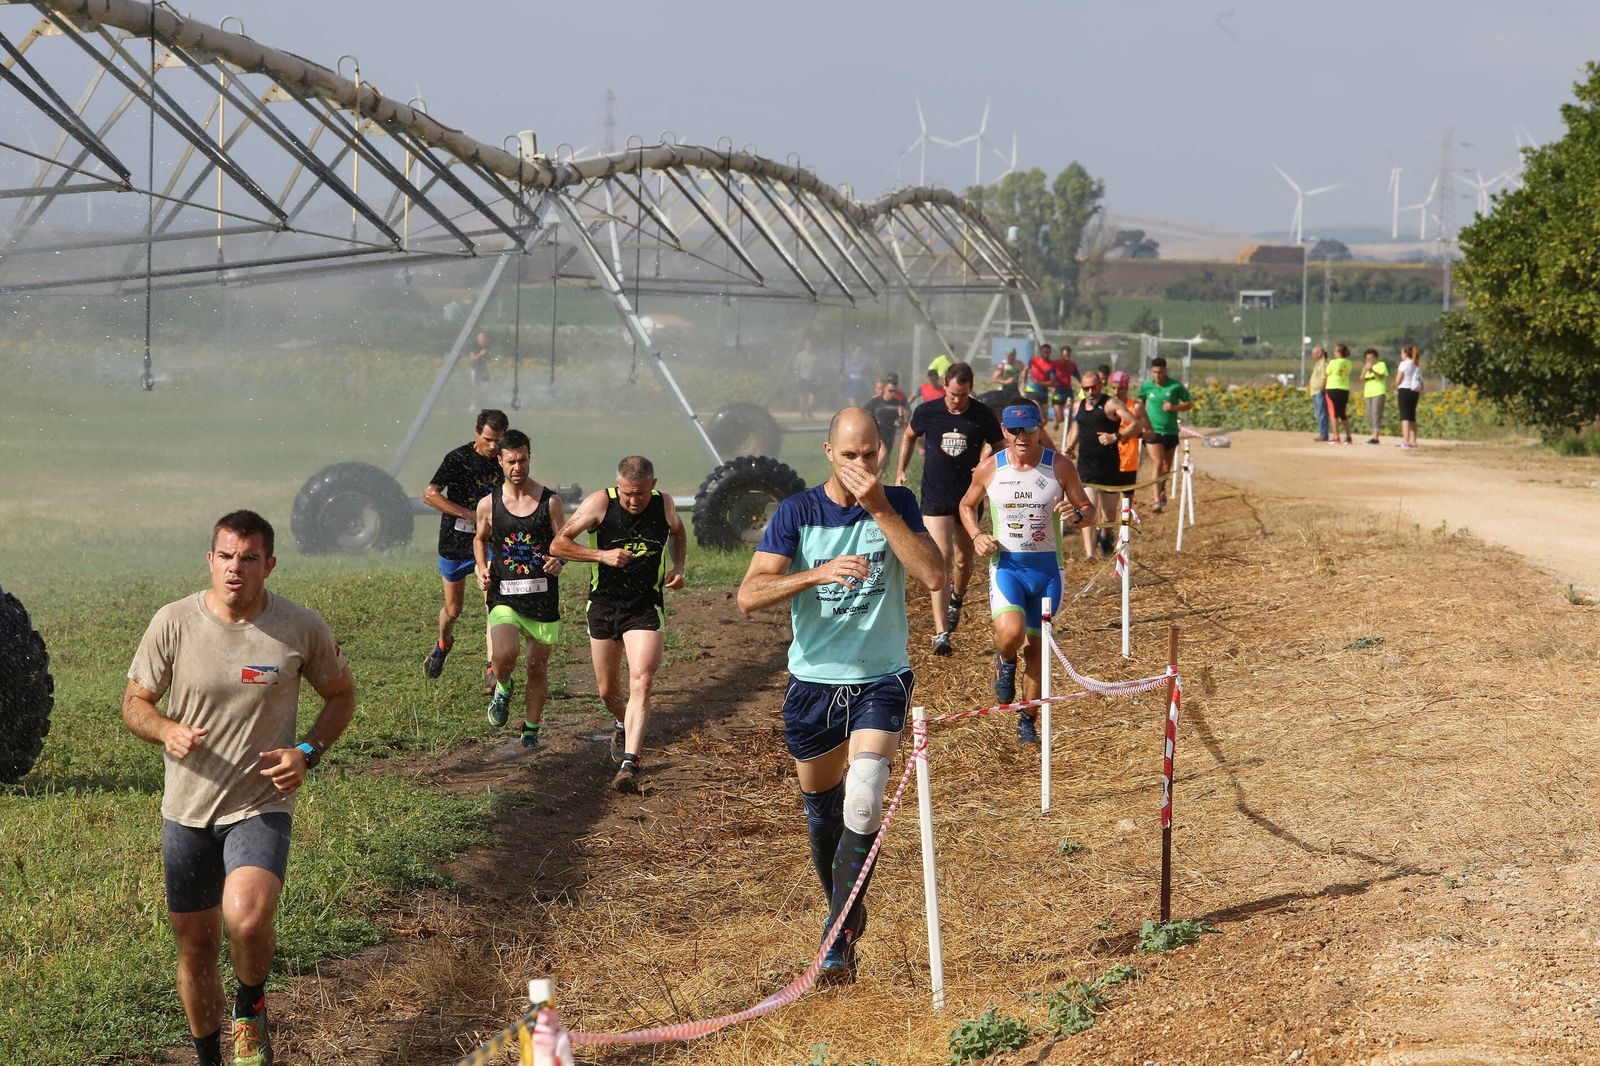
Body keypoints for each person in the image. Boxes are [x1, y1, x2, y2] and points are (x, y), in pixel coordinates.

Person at [123, 510, 355, 1066]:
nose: (236, 568)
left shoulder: (299, 627)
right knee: (197, 948)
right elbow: (134, 704)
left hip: (260, 803)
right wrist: (166, 731)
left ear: (268, 564)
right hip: (187, 808)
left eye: (249, 558)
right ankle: (208, 1058)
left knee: (247, 918)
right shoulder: (173, 622)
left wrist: (307, 752)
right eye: (226, 556)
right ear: (210, 560)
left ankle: (250, 1008)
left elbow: (341, 695)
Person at [736, 407, 945, 982]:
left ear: (882, 452)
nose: (861, 465)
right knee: (825, 819)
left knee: (865, 798)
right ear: (829, 453)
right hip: (813, 685)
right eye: (849, 455)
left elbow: (933, 576)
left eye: (870, 454)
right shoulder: (796, 512)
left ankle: (833, 938)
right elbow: (749, 596)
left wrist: (880, 507)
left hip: (881, 676)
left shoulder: (896, 503)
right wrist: (814, 574)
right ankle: (847, 918)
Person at [959, 404, 1093, 745]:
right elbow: (965, 505)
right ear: (1004, 430)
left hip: (1048, 569)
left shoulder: (1059, 465)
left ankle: (1027, 720)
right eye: (1015, 430)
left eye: (1029, 429)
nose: (1022, 437)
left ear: (1040, 427)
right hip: (1008, 566)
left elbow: (1088, 511)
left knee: (1036, 648)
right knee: (1010, 635)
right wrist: (976, 535)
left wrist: (1076, 516)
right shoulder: (990, 469)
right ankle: (1004, 661)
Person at [552, 455, 687, 793]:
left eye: (639, 494)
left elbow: (679, 532)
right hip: (604, 606)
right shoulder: (601, 502)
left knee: (642, 680)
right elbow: (559, 544)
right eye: (627, 493)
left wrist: (679, 565)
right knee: (607, 691)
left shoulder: (664, 504)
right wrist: (602, 555)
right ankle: (623, 722)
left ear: (652, 486)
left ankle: (630, 763)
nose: (632, 501)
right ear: (618, 486)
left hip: (644, 607)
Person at [895, 362, 1004, 656]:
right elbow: (908, 436)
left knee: (963, 560)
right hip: (935, 494)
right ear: (945, 386)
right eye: (954, 394)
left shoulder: (981, 414)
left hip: (968, 496)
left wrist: (985, 461)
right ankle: (941, 632)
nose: (958, 401)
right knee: (940, 556)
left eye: (964, 395)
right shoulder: (926, 412)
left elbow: (1000, 443)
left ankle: (957, 597)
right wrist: (901, 470)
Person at [472, 429, 564, 750]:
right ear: (499, 461)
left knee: (537, 666)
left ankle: (530, 730)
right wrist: (481, 568)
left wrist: (558, 559)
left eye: (523, 460)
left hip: (542, 596)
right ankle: (504, 685)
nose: (517, 468)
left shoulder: (549, 501)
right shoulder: (489, 504)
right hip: (505, 594)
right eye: (511, 461)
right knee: (504, 654)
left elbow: (562, 542)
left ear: (529, 458)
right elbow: (479, 539)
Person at [423, 409, 508, 694]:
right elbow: (430, 494)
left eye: (499, 440)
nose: (494, 446)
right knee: (453, 609)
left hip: (489, 543)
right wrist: (468, 514)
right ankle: (443, 643)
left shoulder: (505, 460)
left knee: (492, 603)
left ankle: (491, 669)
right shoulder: (457, 459)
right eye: (488, 439)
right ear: (476, 433)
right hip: (455, 542)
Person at [1066, 370, 1141, 560]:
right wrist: (1070, 446)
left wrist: (1116, 436)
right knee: (1087, 510)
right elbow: (1076, 426)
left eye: (1094, 387)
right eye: (1086, 389)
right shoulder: (1078, 405)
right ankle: (1090, 554)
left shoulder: (1111, 404)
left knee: (1108, 515)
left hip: (1108, 468)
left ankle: (1105, 535)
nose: (1090, 392)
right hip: (1086, 467)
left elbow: (1135, 424)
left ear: (1101, 385)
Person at [1137, 357, 1194, 512]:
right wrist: (1139, 420)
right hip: (1153, 431)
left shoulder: (1175, 386)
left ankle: (1161, 491)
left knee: (1166, 467)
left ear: (1165, 370)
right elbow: (1138, 404)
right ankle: (1156, 501)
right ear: (1151, 372)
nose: (1157, 375)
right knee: (1157, 462)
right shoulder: (1146, 387)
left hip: (1170, 431)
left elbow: (1189, 403)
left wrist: (1174, 407)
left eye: (1160, 372)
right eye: (1155, 372)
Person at [1109, 370, 1151, 504]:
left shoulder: (1136, 407)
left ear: (1126, 387)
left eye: (1120, 388)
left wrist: (1137, 434)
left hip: (1128, 462)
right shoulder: (1106, 406)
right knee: (1107, 504)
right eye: (1113, 388)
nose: (1116, 392)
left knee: (1126, 504)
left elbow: (1151, 433)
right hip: (1109, 461)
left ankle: (1125, 525)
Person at [864, 378, 909, 468]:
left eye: (895, 391)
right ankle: (868, 479)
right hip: (877, 434)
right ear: (884, 389)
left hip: (889, 436)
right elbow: (862, 414)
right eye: (890, 391)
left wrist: (900, 418)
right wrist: (873, 421)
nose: (893, 393)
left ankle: (874, 481)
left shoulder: (897, 403)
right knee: (883, 455)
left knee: (884, 464)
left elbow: (903, 422)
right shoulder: (875, 401)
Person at [1324, 343, 1354, 445]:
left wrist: (1329, 363)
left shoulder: (1333, 362)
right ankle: (1348, 437)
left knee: (1333, 414)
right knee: (1342, 413)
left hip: (1332, 388)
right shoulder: (1349, 363)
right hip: (1344, 389)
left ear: (1338, 352)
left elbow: (1327, 372)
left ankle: (1336, 437)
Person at [1396, 345, 1424, 449]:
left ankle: (1405, 441)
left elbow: (1399, 379)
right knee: (1412, 416)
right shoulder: (1416, 364)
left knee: (1405, 417)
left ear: (1405, 354)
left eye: (1402, 353)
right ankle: (1413, 441)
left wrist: (1395, 386)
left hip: (1404, 390)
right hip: (1414, 391)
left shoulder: (1404, 364)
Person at [1360, 347, 1389, 444]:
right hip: (1368, 393)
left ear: (1376, 358)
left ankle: (1375, 437)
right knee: (1369, 414)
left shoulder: (1381, 364)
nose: (1370, 360)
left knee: (1376, 414)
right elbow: (1361, 379)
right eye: (1367, 358)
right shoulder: (1365, 366)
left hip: (1378, 392)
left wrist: (1372, 370)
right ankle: (1373, 434)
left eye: (1371, 358)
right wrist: (1365, 370)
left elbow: (1382, 376)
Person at [1049, 344, 1081, 430]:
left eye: (1068, 356)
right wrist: (1051, 386)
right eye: (1065, 356)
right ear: (1061, 354)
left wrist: (1082, 384)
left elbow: (1078, 376)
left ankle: (1069, 431)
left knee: (1069, 412)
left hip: (1068, 391)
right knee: (1061, 418)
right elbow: (1049, 376)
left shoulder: (1072, 365)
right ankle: (1056, 420)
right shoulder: (1054, 364)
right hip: (1058, 391)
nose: (1067, 358)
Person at [1306, 345, 1330, 441]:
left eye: (1314, 354)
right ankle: (1322, 433)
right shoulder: (1318, 364)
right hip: (1315, 392)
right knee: (1318, 413)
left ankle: (1324, 435)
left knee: (1322, 413)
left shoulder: (1323, 363)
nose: (1313, 356)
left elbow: (1325, 377)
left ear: (1320, 353)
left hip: (1320, 392)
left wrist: (1322, 389)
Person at [1024, 342, 1055, 407]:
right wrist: (1023, 383)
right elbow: (1025, 370)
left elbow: (1052, 382)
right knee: (1036, 407)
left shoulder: (1052, 365)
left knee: (1044, 414)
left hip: (1043, 392)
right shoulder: (1033, 360)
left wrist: (1041, 383)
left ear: (1050, 352)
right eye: (1044, 351)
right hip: (1031, 389)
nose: (1046, 354)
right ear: (1041, 351)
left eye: (1047, 352)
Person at [467, 331, 492, 411]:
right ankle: (473, 404)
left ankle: (483, 404)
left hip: (484, 369)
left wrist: (489, 354)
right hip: (476, 369)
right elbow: (472, 358)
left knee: (486, 387)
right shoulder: (474, 346)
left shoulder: (487, 346)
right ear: (478, 338)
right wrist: (481, 354)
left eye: (484, 337)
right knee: (476, 388)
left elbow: (489, 357)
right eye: (481, 337)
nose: (482, 338)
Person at [795, 338, 818, 421]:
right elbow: (796, 368)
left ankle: (807, 411)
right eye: (807, 344)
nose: (809, 346)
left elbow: (817, 368)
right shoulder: (800, 355)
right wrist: (796, 377)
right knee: (803, 399)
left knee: (812, 400)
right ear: (805, 345)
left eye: (810, 344)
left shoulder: (815, 356)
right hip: (802, 379)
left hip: (812, 379)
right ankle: (802, 416)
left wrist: (819, 377)